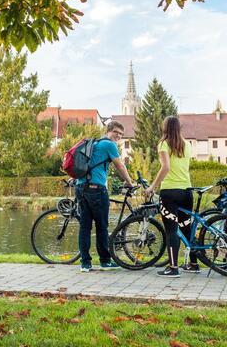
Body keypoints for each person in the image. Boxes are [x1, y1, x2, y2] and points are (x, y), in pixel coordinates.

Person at [75, 120, 134, 272]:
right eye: (116, 132)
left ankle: (85, 264)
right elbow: (119, 165)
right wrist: (129, 182)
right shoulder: (109, 145)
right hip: (96, 189)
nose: (118, 136)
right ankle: (105, 261)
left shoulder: (94, 143)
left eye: (121, 134)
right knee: (102, 226)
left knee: (85, 227)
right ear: (108, 131)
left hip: (81, 187)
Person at [145, 116, 193, 278]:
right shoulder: (187, 144)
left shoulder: (164, 143)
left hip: (170, 192)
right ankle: (193, 264)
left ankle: (173, 267)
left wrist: (152, 186)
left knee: (171, 230)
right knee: (187, 227)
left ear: (164, 127)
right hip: (187, 190)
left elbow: (166, 167)